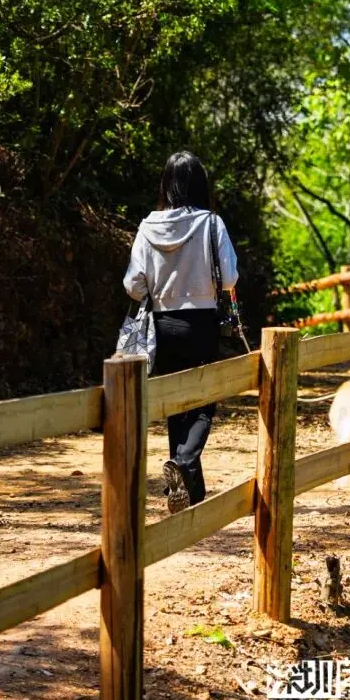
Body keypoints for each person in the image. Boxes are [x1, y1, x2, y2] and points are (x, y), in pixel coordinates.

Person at [123, 150, 238, 514]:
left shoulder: (147, 226)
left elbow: (133, 283)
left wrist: (160, 290)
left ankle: (190, 491)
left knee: (176, 404)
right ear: (200, 184)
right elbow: (231, 277)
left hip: (162, 324)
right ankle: (185, 466)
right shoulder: (211, 223)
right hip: (201, 323)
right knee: (203, 402)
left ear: (166, 184)